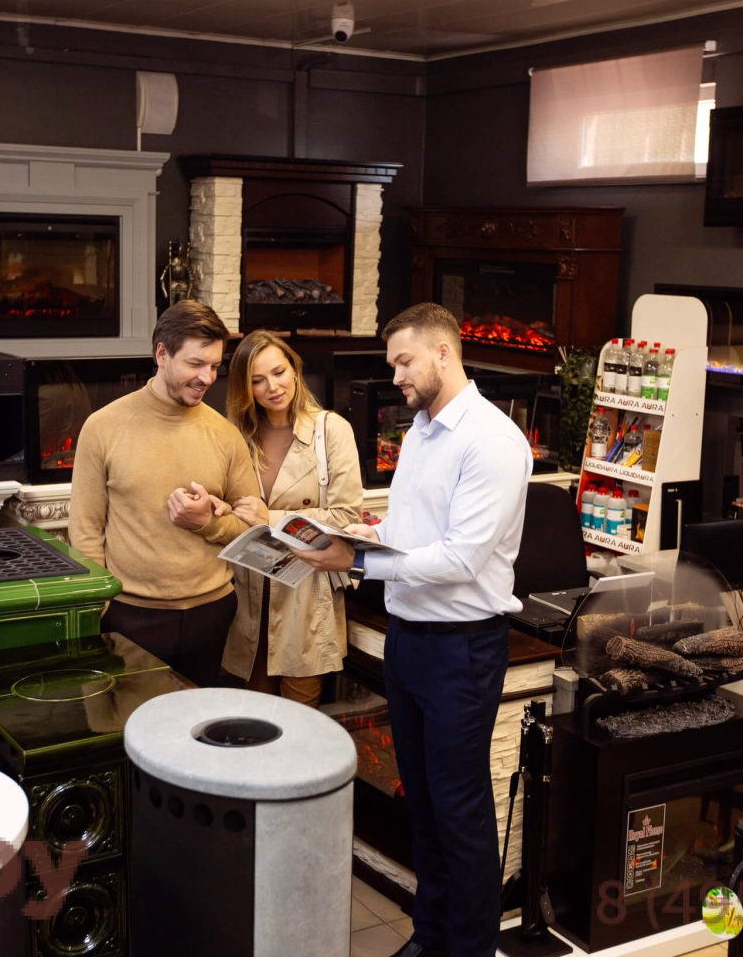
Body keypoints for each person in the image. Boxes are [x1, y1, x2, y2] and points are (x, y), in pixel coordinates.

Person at [294, 303, 532, 957]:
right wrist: (360, 535)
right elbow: (411, 532)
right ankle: (430, 940)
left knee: (459, 814)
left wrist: (358, 562)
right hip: (409, 641)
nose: (395, 375)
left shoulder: (492, 440)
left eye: (404, 362)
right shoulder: (421, 431)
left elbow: (460, 559)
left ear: (442, 353)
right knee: (422, 808)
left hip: (462, 649)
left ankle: (470, 950)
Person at [68, 301, 258, 687]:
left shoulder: (225, 435)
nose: (207, 377)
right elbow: (86, 530)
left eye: (214, 366)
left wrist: (208, 523)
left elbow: (254, 530)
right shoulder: (102, 427)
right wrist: (100, 608)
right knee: (128, 720)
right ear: (161, 354)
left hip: (212, 613)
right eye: (195, 364)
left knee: (197, 722)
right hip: (129, 616)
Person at [219, 329, 364, 709]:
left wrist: (270, 516)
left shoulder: (331, 430)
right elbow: (229, 506)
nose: (272, 387)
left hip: (305, 595)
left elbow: (346, 517)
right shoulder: (236, 435)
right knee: (254, 719)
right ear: (245, 388)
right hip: (246, 595)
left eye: (279, 372)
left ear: (295, 371)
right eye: (257, 380)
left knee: (299, 720)